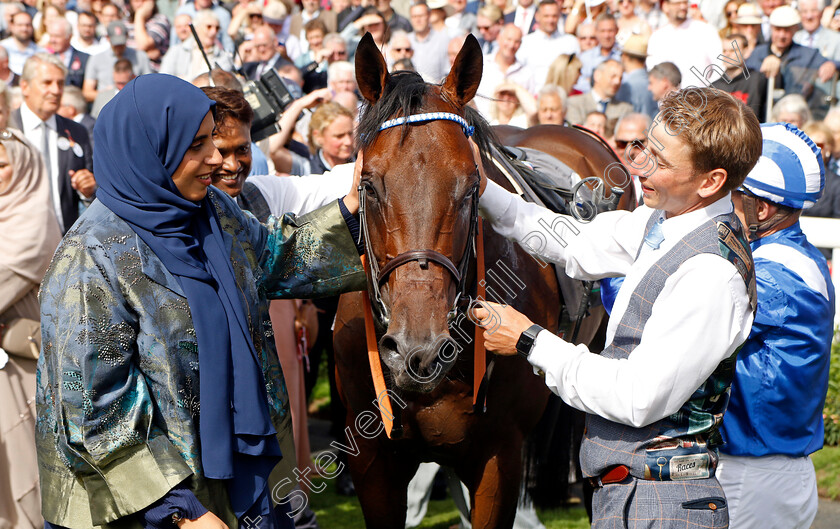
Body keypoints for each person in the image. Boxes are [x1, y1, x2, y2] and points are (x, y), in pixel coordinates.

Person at [36, 73, 366, 529]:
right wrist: (180, 510)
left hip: (231, 481)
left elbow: (273, 259)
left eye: (213, 139)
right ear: (150, 151)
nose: (217, 158)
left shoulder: (214, 211)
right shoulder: (90, 259)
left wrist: (352, 210)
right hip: (146, 505)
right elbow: (93, 410)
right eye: (197, 146)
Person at [473, 87, 761, 527]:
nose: (639, 166)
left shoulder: (711, 274)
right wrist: (481, 187)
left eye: (660, 163)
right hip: (631, 494)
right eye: (645, 147)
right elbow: (573, 241)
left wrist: (529, 341)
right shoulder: (664, 219)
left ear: (711, 181)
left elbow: (636, 397)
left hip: (663, 505)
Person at [718, 123, 835, 529]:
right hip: (767, 473)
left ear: (761, 209)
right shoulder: (788, 259)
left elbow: (668, 315)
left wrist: (613, 277)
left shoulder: (775, 275)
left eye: (730, 196)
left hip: (753, 479)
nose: (719, 205)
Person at [0, 128, 61, 529]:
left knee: (25, 473)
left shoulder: (32, 219)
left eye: (2, 165)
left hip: (23, 366)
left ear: (23, 168)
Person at [12, 52, 95, 234]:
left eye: (60, 83)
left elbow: (92, 192)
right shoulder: (8, 129)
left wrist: (88, 190)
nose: (56, 90)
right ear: (25, 86)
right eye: (47, 83)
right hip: (15, 245)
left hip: (64, 243)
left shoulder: (76, 132)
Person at [746, 5, 836, 120]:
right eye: (778, 29)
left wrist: (831, 64)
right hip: (761, 117)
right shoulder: (758, 53)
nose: (782, 35)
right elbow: (745, 79)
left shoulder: (807, 54)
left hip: (794, 119)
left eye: (787, 30)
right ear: (771, 28)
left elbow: (834, 63)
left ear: (794, 30)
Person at [646, 0, 723, 88]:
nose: (682, 7)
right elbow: (653, 70)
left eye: (685, 3)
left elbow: (720, 66)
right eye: (677, 4)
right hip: (668, 99)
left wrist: (708, 92)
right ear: (666, 6)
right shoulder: (658, 36)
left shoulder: (705, 30)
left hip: (701, 97)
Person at [83, 20, 152, 103]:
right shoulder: (96, 59)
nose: (119, 47)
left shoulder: (140, 57)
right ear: (107, 38)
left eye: (121, 43)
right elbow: (87, 93)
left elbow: (149, 86)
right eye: (116, 44)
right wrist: (109, 93)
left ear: (127, 36)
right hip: (105, 105)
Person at [519, 0, 578, 84]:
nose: (550, 20)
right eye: (546, 16)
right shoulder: (526, 42)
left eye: (554, 16)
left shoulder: (570, 42)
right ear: (537, 16)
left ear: (559, 16)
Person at [711, 33, 766, 121]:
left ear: (746, 52)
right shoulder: (714, 88)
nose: (727, 54)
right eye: (724, 51)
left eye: (733, 50)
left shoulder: (758, 79)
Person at [565, 59, 632, 126]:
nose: (617, 82)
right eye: (613, 76)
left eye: (620, 78)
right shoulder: (574, 103)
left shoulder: (625, 110)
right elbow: (574, 132)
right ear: (597, 75)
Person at [308, 101, 354, 174]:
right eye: (339, 136)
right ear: (318, 136)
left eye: (350, 133)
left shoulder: (364, 163)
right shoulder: (307, 169)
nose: (348, 142)